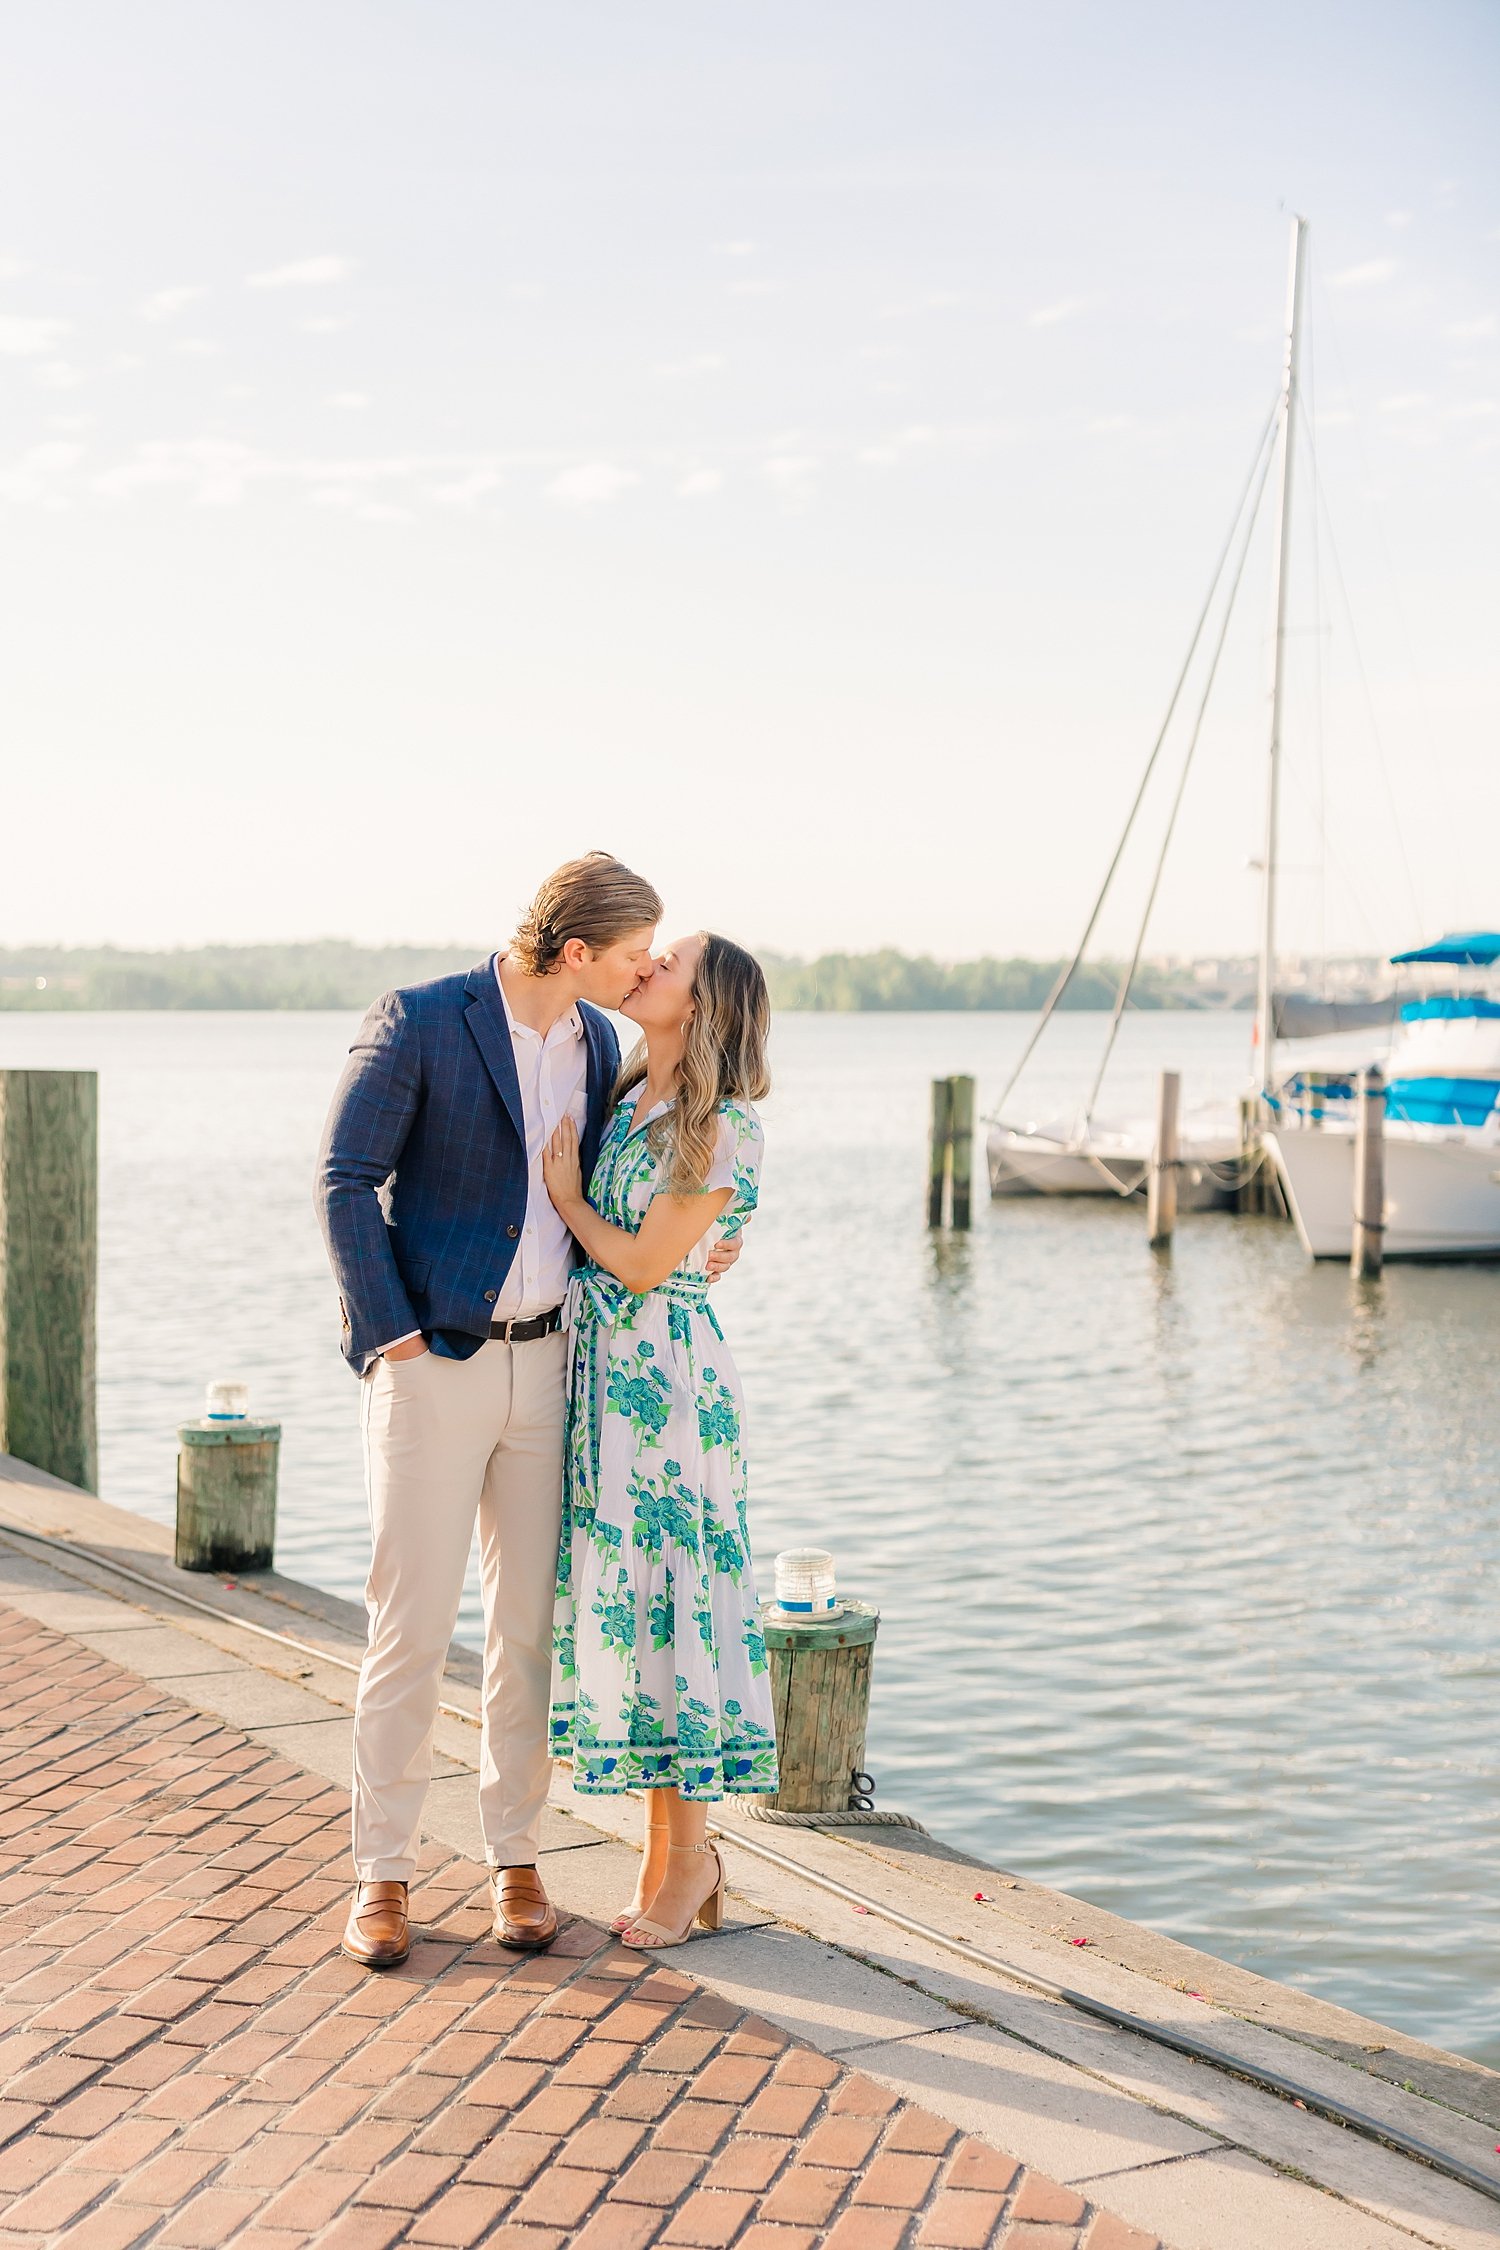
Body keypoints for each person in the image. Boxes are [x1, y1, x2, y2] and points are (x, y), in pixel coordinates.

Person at [315, 853, 741, 1970]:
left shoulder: (602, 1046)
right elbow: (344, 1178)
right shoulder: (419, 1020)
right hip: (434, 1365)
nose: (648, 965)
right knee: (408, 1629)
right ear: (576, 954)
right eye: (635, 951)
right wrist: (392, 1335)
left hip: (556, 1374)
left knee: (526, 1635)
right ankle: (383, 1876)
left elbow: (652, 1186)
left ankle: (514, 1856)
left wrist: (714, 1239)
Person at [542, 930, 776, 1949]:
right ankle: (664, 1859)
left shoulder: (725, 1125)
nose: (646, 969)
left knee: (677, 1609)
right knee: (638, 1619)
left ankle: (695, 1863)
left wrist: (566, 1202)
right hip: (605, 1381)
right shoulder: (629, 1086)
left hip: (669, 1388)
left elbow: (641, 1264)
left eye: (667, 963)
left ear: (707, 1003)